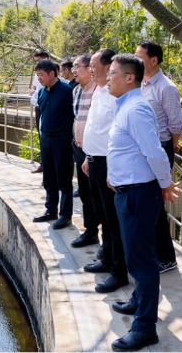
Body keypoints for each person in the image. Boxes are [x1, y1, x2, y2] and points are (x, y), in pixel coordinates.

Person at [106, 54, 180, 352]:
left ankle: (145, 327)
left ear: (129, 78)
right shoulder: (125, 106)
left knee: (142, 261)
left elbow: (154, 151)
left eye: (111, 73)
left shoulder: (136, 109)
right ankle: (138, 300)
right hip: (128, 191)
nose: (107, 79)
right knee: (134, 254)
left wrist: (165, 183)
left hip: (138, 194)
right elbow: (127, 150)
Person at [81, 48, 129, 293]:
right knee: (102, 215)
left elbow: (115, 135)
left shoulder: (114, 95)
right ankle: (107, 258)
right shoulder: (98, 91)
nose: (90, 68)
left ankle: (119, 272)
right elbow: (95, 128)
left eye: (93, 64)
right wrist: (88, 156)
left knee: (113, 220)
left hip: (108, 164)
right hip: (94, 161)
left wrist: (112, 167)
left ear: (107, 66)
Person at [135, 39, 182, 274]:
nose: (135, 61)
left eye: (139, 57)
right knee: (147, 203)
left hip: (161, 149)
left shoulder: (166, 88)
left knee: (155, 205)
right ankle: (153, 253)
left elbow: (176, 123)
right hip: (145, 150)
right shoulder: (141, 85)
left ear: (153, 60)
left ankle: (166, 258)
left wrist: (172, 145)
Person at [31, 59, 75, 229]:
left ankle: (65, 215)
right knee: (48, 177)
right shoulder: (42, 91)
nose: (39, 78)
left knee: (64, 179)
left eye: (41, 75)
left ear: (52, 73)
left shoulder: (66, 90)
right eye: (37, 75)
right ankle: (51, 210)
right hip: (46, 139)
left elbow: (73, 115)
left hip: (62, 140)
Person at [69, 53, 99, 248]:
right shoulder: (76, 91)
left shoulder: (100, 90)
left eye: (77, 66)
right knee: (86, 194)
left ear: (90, 68)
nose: (73, 71)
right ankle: (91, 232)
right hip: (79, 148)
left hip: (95, 152)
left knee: (99, 196)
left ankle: (109, 242)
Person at [29, 50, 49, 173]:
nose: (38, 64)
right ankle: (43, 163)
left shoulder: (53, 71)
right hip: (39, 106)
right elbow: (33, 88)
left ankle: (49, 166)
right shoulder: (38, 74)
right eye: (36, 62)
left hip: (48, 106)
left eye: (39, 61)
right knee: (41, 135)